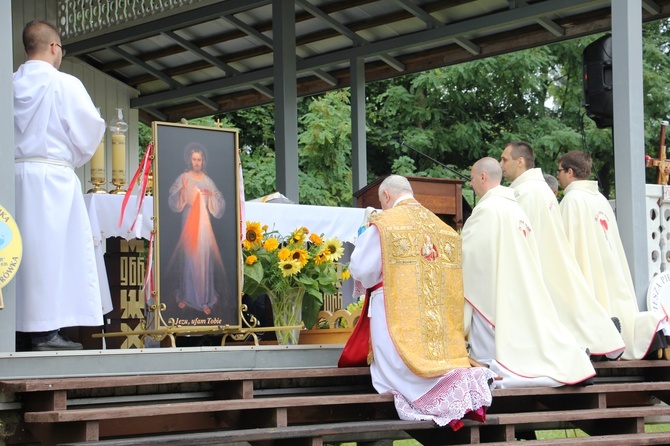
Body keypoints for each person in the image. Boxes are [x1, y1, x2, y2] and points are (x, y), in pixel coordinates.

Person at [345, 175, 496, 428]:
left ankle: (431, 392)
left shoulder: (385, 222)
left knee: (399, 369)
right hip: (434, 307)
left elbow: (362, 268)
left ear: (385, 197)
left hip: (396, 307)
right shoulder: (444, 229)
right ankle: (456, 382)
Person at [13, 20, 106, 351]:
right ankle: (45, 332)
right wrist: (73, 160)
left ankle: (17, 329)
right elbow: (89, 132)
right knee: (51, 255)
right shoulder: (65, 84)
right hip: (51, 178)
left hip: (11, 179)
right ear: (54, 47)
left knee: (17, 255)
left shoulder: (7, 84)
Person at [462, 158, 595, 388]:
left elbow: (469, 257)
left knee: (499, 352)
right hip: (520, 286)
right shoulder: (515, 208)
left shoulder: (486, 210)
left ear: (483, 177)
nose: (471, 184)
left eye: (472, 179)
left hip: (497, 291)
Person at [500, 141, 625, 360]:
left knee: (558, 311)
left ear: (520, 162)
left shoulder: (529, 193)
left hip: (541, 260)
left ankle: (582, 344)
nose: (501, 164)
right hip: (566, 260)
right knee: (570, 304)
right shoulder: (542, 189)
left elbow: (519, 235)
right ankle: (599, 334)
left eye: (504, 159)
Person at [558, 151, 668, 359]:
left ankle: (601, 343)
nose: (558, 176)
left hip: (587, 266)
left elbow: (564, 244)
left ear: (570, 172)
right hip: (609, 266)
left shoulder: (572, 200)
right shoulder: (599, 198)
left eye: (560, 171)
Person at [168, 143, 226, 315]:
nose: (197, 162)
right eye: (194, 159)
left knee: (204, 260)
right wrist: (184, 191)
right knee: (189, 259)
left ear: (203, 161)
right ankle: (186, 297)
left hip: (204, 226)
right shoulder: (184, 177)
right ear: (190, 160)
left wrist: (211, 196)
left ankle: (205, 300)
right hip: (189, 222)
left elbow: (219, 199)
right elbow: (173, 198)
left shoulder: (208, 180)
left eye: (199, 159)